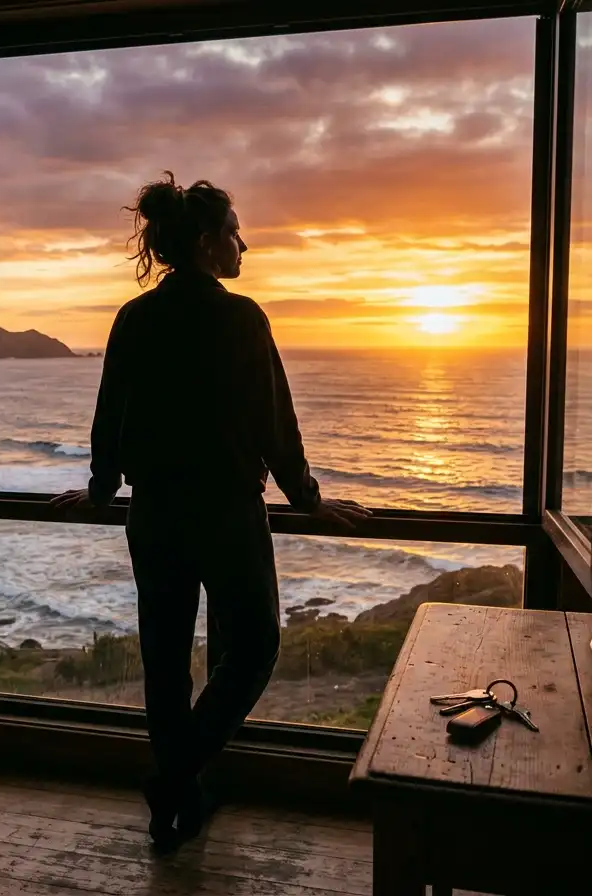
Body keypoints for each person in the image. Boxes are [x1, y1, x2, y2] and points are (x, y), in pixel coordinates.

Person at [51, 171, 370, 850]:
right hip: (226, 513)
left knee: (166, 662)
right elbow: (275, 424)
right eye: (233, 233)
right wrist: (309, 499)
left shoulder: (135, 318)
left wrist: (102, 491)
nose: (243, 245)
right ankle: (175, 780)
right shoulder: (240, 317)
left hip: (154, 514)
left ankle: (176, 799)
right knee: (254, 647)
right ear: (205, 242)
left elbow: (110, 419)